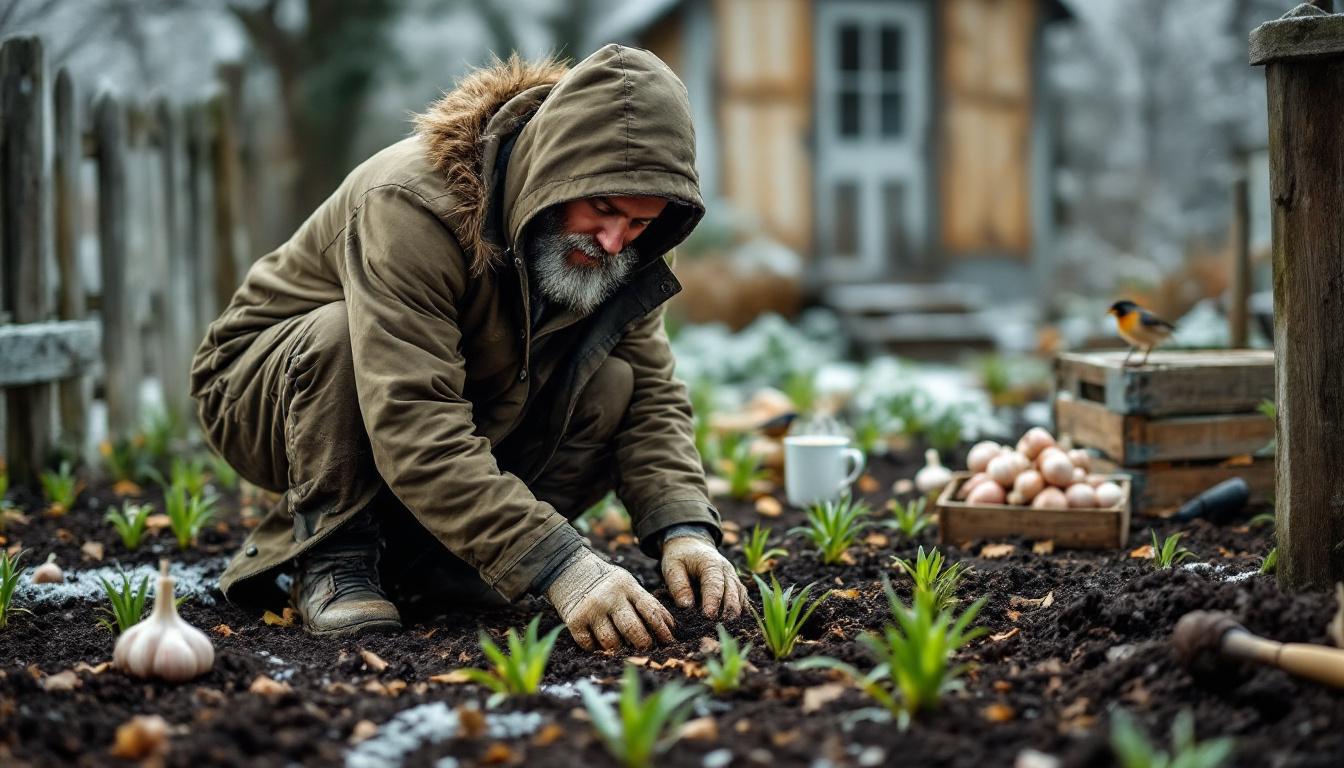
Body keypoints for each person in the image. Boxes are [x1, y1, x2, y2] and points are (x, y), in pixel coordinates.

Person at [190, 44, 747, 651]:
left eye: (639, 223)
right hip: (270, 389)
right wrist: (562, 564)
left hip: (450, 390)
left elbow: (653, 395)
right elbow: (412, 414)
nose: (616, 241)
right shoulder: (412, 204)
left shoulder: (630, 243)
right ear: (554, 169)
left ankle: (445, 567)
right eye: (604, 209)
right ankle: (333, 555)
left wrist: (684, 527)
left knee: (614, 383)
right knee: (339, 338)